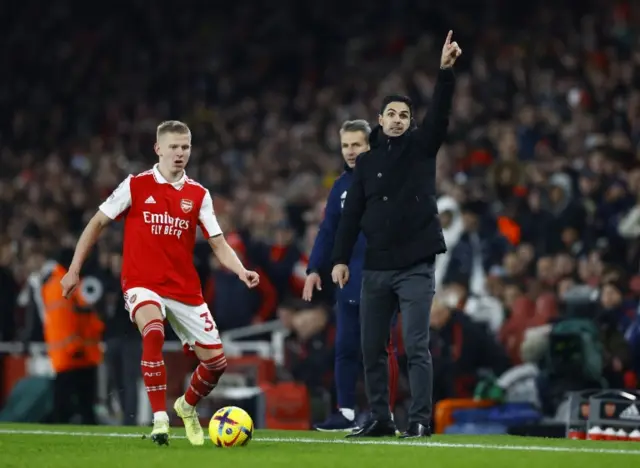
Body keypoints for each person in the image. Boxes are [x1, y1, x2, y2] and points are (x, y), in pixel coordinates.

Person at [60, 120, 260, 446]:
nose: (180, 153)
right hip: (142, 282)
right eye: (174, 147)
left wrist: (241, 271)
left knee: (216, 365)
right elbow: (97, 222)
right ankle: (160, 420)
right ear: (158, 149)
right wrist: (74, 269)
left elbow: (218, 242)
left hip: (184, 289)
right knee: (153, 330)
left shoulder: (198, 194)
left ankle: (186, 406)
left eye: (185, 147)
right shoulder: (135, 186)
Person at [331, 31, 462, 439]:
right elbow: (351, 216)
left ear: (409, 122)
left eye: (404, 115)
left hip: (416, 265)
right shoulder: (366, 164)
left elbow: (439, 116)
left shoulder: (422, 147)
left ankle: (420, 419)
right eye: (391, 114)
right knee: (373, 349)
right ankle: (381, 419)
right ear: (381, 119)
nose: (397, 120)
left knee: (416, 347)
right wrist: (339, 259)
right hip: (377, 266)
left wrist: (444, 74)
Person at [303, 119, 400, 432]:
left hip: (379, 278)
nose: (350, 151)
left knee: (379, 350)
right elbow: (327, 230)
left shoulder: (387, 180)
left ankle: (382, 414)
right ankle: (345, 412)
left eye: (356, 144)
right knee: (344, 347)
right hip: (346, 280)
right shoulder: (341, 186)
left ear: (369, 145)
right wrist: (314, 268)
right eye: (345, 145)